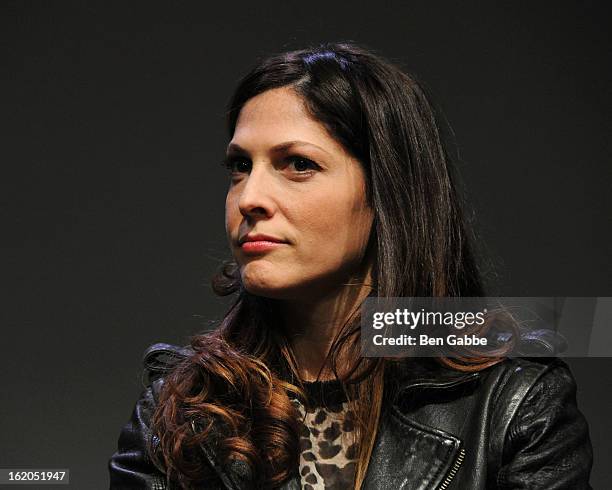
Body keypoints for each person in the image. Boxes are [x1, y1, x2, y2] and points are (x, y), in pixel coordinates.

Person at [108, 42, 593, 489]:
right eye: (240, 166)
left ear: (388, 191)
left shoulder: (513, 403)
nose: (249, 198)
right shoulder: (177, 409)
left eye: (298, 164)